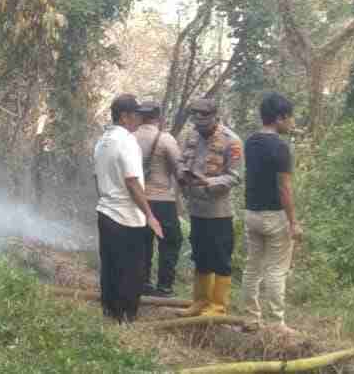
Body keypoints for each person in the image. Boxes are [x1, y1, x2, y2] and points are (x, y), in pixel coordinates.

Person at [94, 94, 163, 323]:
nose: (139, 120)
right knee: (131, 270)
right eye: (136, 115)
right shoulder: (127, 142)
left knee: (110, 267)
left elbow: (98, 178)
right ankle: (126, 317)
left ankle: (110, 312)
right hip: (126, 217)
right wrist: (150, 215)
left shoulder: (102, 141)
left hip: (105, 211)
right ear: (124, 117)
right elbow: (132, 181)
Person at [242, 92, 302, 333]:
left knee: (253, 267)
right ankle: (277, 325)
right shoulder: (280, 147)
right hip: (274, 216)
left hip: (251, 214)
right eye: (290, 118)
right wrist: (294, 222)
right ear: (279, 118)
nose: (292, 123)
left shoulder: (251, 141)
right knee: (277, 270)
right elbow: (284, 188)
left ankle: (250, 319)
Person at [177, 97, 243, 317]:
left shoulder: (231, 141)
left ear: (215, 116)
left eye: (204, 118)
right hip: (196, 209)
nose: (199, 123)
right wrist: (181, 175)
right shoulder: (190, 136)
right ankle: (200, 301)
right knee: (200, 255)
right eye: (196, 119)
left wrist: (209, 182)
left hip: (218, 211)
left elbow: (235, 177)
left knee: (220, 257)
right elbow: (180, 162)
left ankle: (218, 305)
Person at [134, 100, 183, 298]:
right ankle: (164, 286)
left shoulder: (131, 137)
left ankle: (143, 282)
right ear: (159, 117)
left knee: (143, 242)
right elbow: (179, 168)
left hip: (138, 199)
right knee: (170, 241)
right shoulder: (165, 139)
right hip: (162, 200)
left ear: (140, 116)